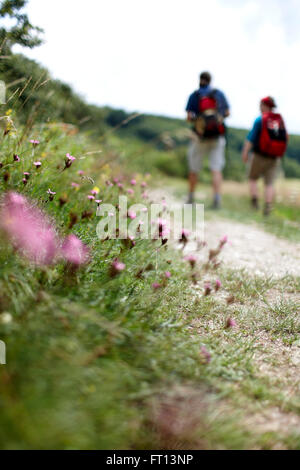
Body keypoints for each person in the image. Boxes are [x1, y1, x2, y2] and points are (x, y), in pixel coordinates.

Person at [185, 71, 230, 207]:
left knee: (194, 168)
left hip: (199, 136)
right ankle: (217, 198)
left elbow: (189, 117)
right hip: (217, 137)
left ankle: (191, 197)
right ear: (210, 80)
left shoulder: (195, 95)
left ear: (200, 80)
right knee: (216, 169)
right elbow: (227, 112)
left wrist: (199, 121)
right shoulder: (219, 94)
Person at [242, 96, 288, 216]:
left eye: (261, 105)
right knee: (269, 183)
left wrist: (245, 152)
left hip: (259, 155)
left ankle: (254, 202)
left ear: (264, 105)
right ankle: (267, 206)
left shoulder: (260, 120)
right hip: (274, 157)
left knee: (252, 178)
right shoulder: (279, 121)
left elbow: (251, 138)